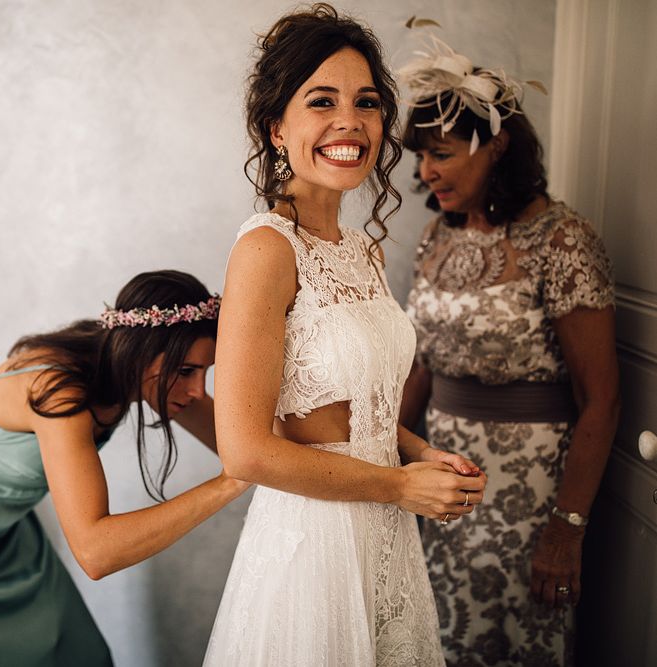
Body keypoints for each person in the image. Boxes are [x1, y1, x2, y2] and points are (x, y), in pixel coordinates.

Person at [203, 6, 487, 666]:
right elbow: (244, 449)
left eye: (365, 102)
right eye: (320, 101)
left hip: (383, 536)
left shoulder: (361, 250)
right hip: (315, 543)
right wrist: (397, 486)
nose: (348, 122)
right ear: (277, 127)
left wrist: (419, 454)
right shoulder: (266, 251)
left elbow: (359, 408)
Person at [398, 33, 620, 666]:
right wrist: (385, 465)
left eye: (440, 154)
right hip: (441, 486)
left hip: (528, 492)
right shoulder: (437, 236)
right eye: (422, 158)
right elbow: (423, 363)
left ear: (495, 146)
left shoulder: (563, 240)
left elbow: (600, 399)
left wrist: (565, 529)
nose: (425, 172)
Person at [0, 270, 249, 666]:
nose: (198, 390)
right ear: (141, 351)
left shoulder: (133, 373)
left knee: (84, 658)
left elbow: (245, 445)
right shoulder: (61, 390)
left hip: (5, 539)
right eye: (186, 372)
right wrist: (226, 485)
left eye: (205, 371)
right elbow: (96, 553)